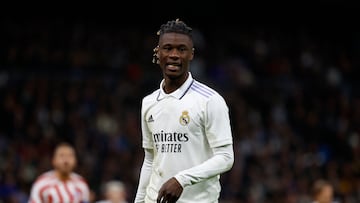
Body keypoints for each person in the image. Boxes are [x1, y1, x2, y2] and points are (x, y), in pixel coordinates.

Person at [134, 18, 234, 203]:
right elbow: (150, 159)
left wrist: (182, 179)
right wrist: (139, 201)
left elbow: (226, 157)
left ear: (191, 55)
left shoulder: (210, 100)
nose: (174, 54)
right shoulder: (149, 102)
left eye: (181, 49)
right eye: (168, 48)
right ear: (158, 52)